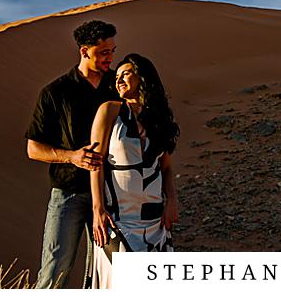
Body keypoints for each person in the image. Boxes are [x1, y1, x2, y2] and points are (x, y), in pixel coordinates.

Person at [25, 20, 118, 289]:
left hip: (114, 195)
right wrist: (72, 156)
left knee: (111, 273)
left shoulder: (119, 86)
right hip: (69, 193)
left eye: (112, 51)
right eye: (103, 52)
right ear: (84, 51)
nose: (110, 58)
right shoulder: (55, 93)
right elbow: (33, 148)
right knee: (55, 272)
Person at [88, 53, 180, 288]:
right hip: (117, 220)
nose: (118, 80)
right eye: (116, 76)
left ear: (142, 77)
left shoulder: (158, 120)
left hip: (154, 222)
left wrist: (171, 200)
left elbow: (166, 167)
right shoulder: (110, 111)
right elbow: (95, 163)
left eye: (125, 73)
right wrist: (97, 209)